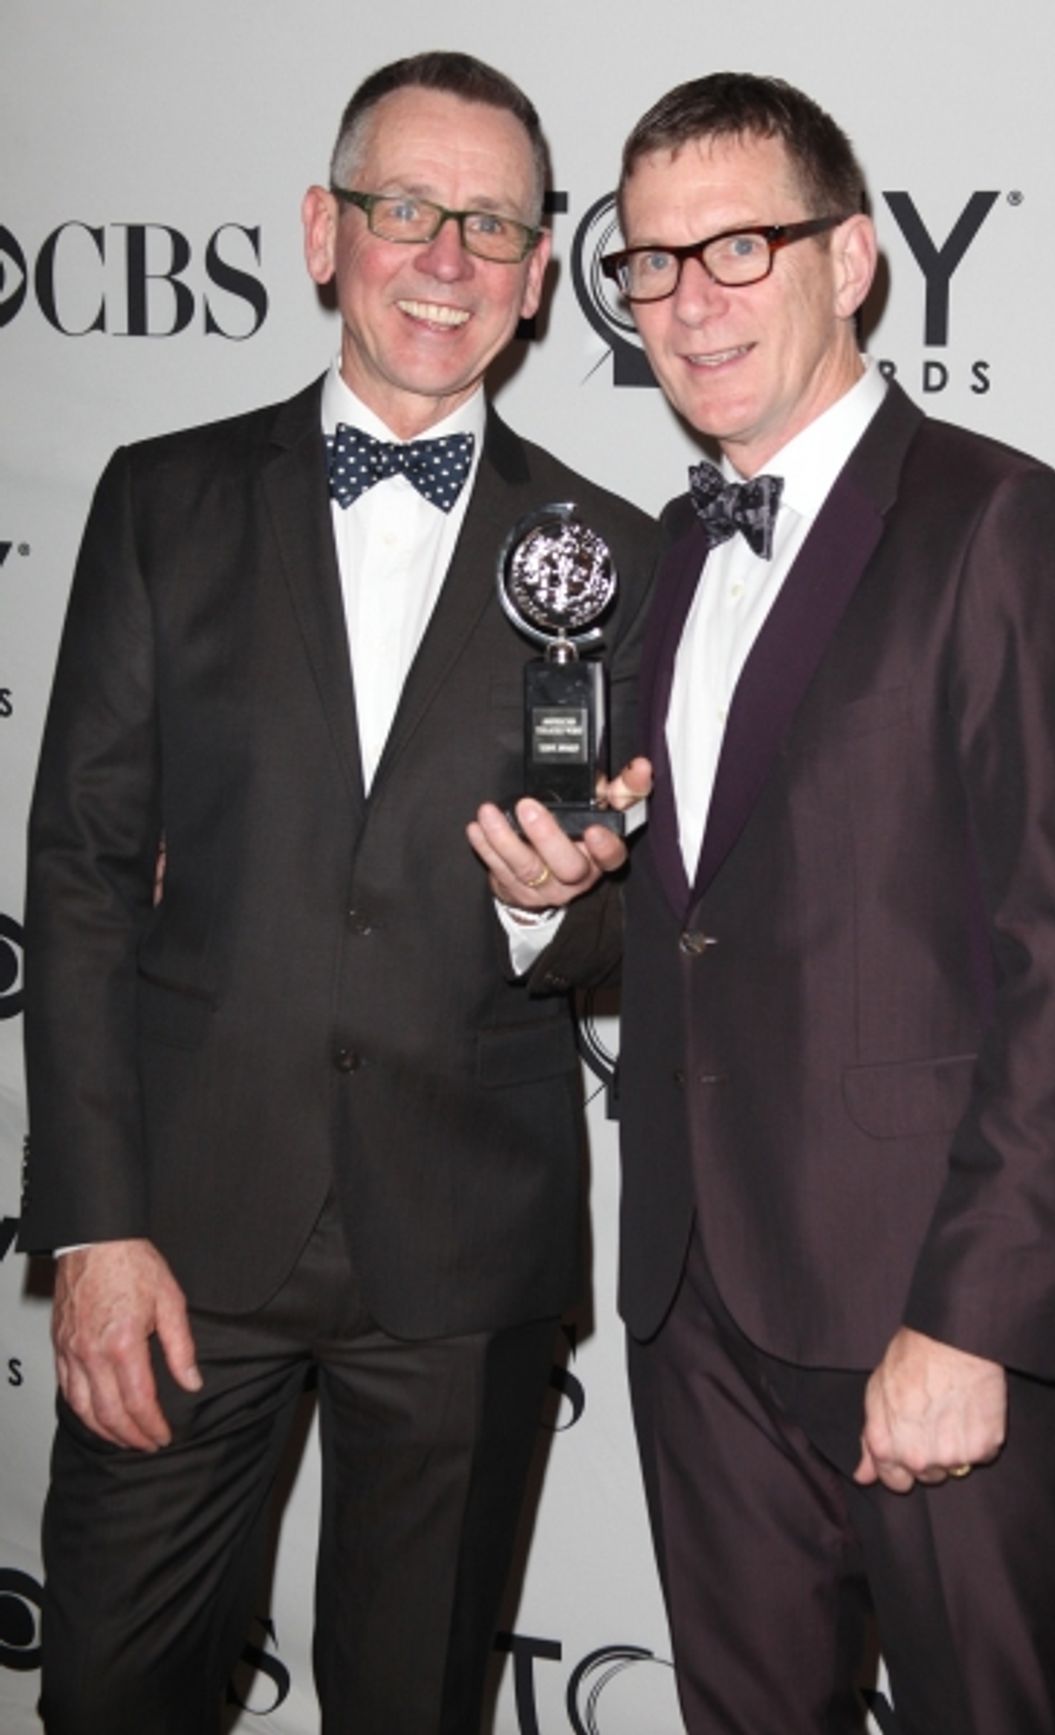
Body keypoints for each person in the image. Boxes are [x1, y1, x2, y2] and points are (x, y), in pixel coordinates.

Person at [469, 71, 1055, 1735]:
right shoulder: (677, 557)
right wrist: (555, 910)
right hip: (697, 1298)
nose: (688, 304)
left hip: (923, 1306)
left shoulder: (1007, 529)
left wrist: (974, 1319)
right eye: (651, 263)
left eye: (741, 251)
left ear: (852, 260)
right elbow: (717, 920)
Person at [19, 50, 654, 1735]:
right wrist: (92, 1224)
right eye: (405, 210)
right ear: (323, 232)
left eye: (493, 224)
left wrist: (549, 906)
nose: (445, 257)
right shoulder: (162, 501)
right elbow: (78, 873)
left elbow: (630, 910)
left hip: (464, 1251)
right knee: (106, 1692)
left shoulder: (616, 554)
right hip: (181, 1240)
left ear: (537, 276)